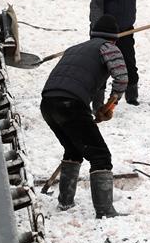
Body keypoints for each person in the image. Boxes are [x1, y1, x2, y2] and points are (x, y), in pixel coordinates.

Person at [40, 15, 128, 218]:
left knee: (73, 149)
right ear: (114, 38)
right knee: (100, 156)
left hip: (48, 103)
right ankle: (105, 211)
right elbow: (122, 78)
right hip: (70, 103)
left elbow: (90, 83)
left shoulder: (75, 49)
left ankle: (65, 202)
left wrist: (98, 108)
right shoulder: (109, 48)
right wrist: (111, 105)